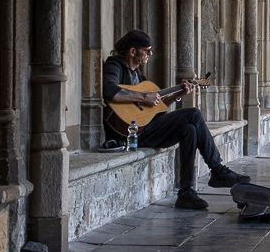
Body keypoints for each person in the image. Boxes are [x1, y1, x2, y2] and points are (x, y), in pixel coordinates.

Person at [102, 29, 249, 210]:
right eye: (147, 50)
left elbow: (154, 108)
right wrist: (143, 97)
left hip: (145, 128)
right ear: (133, 51)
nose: (150, 54)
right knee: (193, 114)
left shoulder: (138, 74)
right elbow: (108, 90)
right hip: (128, 134)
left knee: (190, 129)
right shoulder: (115, 65)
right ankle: (217, 169)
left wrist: (177, 95)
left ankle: (186, 192)